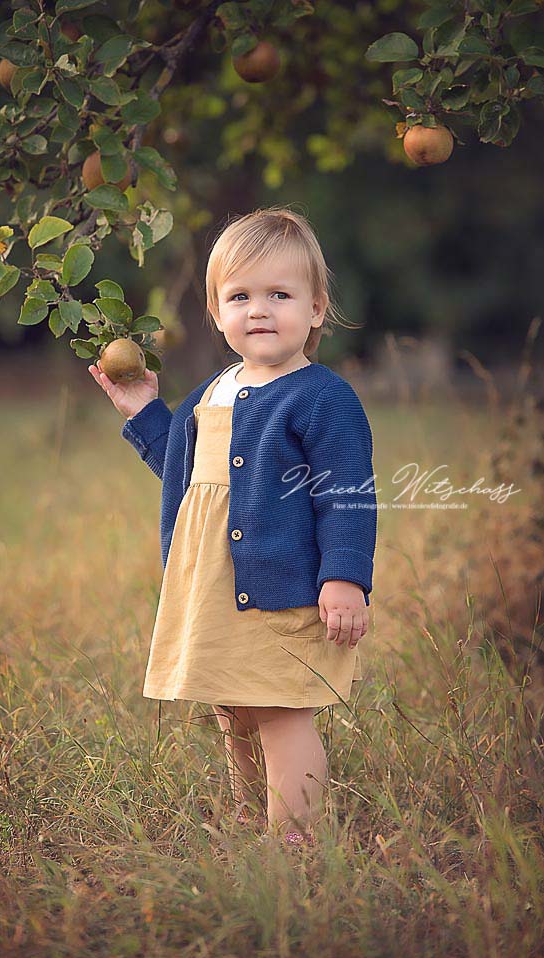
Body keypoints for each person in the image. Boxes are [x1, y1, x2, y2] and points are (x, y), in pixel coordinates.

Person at [88, 206, 377, 851]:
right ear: (217, 313)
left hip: (284, 584)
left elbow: (349, 496)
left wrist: (345, 579)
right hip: (212, 582)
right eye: (240, 296)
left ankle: (297, 843)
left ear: (316, 307)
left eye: (280, 294)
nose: (260, 310)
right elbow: (182, 470)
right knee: (235, 706)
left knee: (277, 705)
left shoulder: (321, 396)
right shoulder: (213, 391)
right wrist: (143, 411)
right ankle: (253, 820)